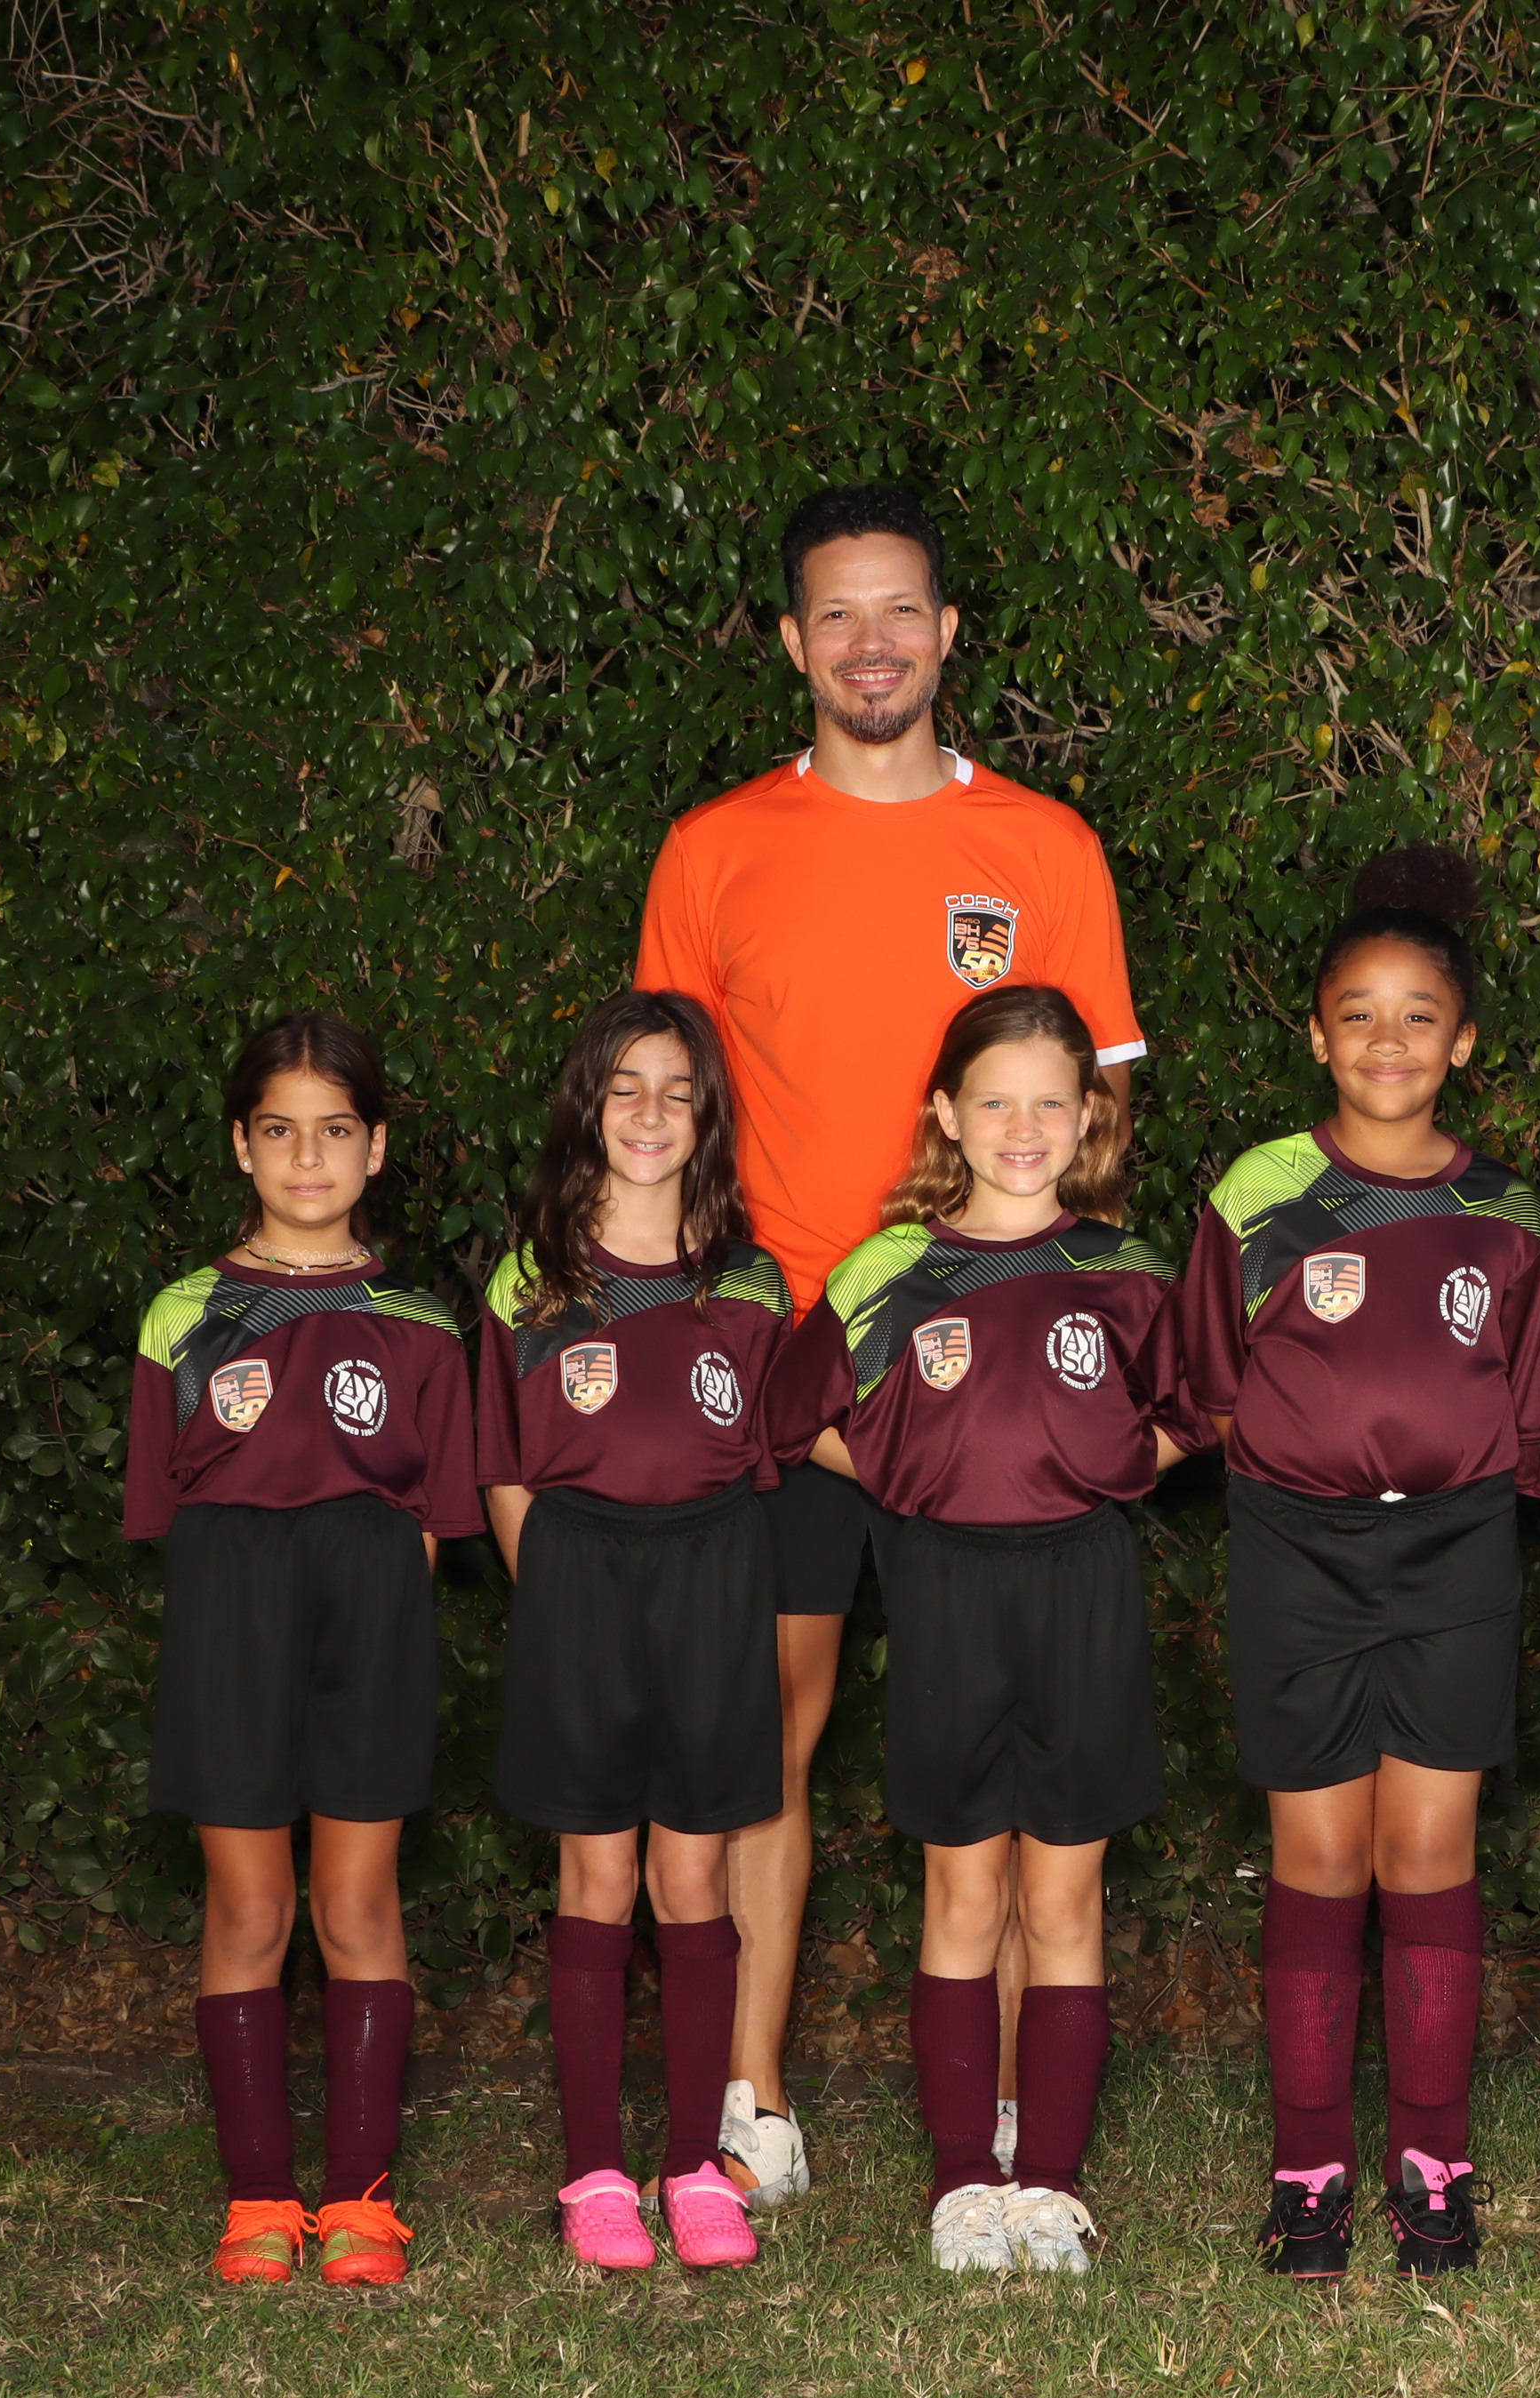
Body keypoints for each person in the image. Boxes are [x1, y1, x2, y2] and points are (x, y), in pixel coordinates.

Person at [634, 483, 1149, 2209]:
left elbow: (1099, 1128)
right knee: (766, 1736)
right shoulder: (715, 851)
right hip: (792, 1372)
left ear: (948, 631)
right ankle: (753, 2095)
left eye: (902, 611)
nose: (874, 644)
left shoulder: (1044, 849)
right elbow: (663, 1117)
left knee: (1008, 1761)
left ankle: (1002, 2124)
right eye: (839, 616)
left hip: (994, 1394)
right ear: (794, 641)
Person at [1169, 849, 1540, 2281]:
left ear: (1462, 1042)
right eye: (1359, 1014)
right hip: (1298, 1548)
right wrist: (1315, 1463)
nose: (1388, 1040)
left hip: (1458, 1550)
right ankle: (1309, 2171)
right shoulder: (1259, 1193)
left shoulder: (1510, 1214)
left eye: (1419, 1016)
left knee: (1431, 1853)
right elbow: (1211, 1387)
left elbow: (1539, 1406)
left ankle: (1434, 2166)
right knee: (1322, 1856)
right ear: (1316, 1035)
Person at [774, 986, 1182, 2277]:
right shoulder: (888, 1270)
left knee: (1063, 1895)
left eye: (1051, 1102)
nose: (1023, 1127)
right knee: (961, 1892)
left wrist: (1116, 1467)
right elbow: (793, 1415)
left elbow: (1205, 1407)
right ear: (946, 1113)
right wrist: (904, 1476)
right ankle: (962, 2181)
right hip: (947, 1586)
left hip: (1083, 1586)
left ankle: (1049, 2180)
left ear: (1089, 1117)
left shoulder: (1124, 1269)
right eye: (995, 1101)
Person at [126, 1015, 477, 2292]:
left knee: (360, 1903)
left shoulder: (419, 1323)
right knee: (247, 1906)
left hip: (370, 1612)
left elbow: (434, 1523)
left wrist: (386, 1625)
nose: (308, 1156)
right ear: (242, 1144)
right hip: (232, 1612)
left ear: (375, 1148)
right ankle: (259, 2196)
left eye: (335, 1130)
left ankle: (364, 2203)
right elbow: (168, 1511)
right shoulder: (185, 1315)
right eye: (280, 1130)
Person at [474, 990, 788, 2274]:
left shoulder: (748, 1282)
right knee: (597, 1879)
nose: (651, 1113)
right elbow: (503, 1469)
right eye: (626, 1087)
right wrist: (556, 1591)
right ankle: (595, 2171)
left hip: (712, 1582)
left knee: (694, 1881)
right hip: (580, 1586)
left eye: (678, 1090)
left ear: (706, 1117)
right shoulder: (532, 1282)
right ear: (586, 1107)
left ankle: (694, 2167)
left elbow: (772, 1454)